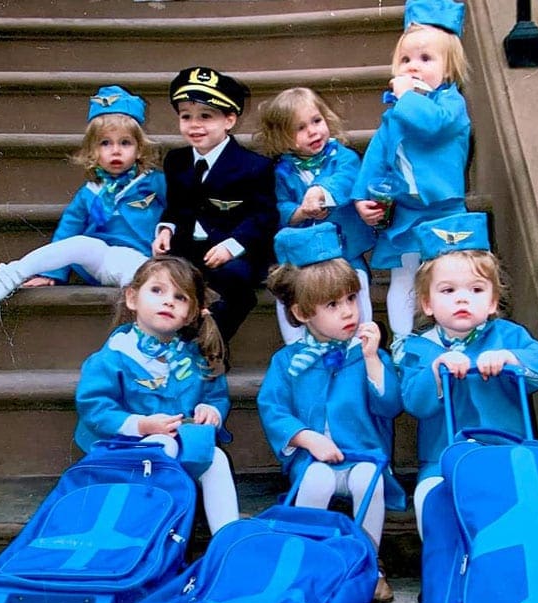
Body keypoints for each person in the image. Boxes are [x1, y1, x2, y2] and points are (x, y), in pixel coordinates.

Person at [256, 224, 405, 603]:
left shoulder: (367, 354)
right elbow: (272, 407)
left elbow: (390, 406)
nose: (349, 312)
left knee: (367, 479)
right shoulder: (289, 362)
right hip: (313, 459)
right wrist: (307, 438)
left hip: (364, 455)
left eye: (352, 299)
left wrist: (373, 360)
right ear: (302, 313)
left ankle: (368, 564)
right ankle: (303, 560)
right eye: (333, 305)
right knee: (319, 480)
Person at [398, 212, 538, 539]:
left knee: (519, 501)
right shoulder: (419, 349)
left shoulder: (507, 336)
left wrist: (511, 358)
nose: (462, 298)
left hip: (507, 449)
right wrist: (437, 373)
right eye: (448, 290)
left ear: (492, 302)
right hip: (443, 457)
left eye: (475, 289)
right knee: (428, 497)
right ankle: (443, 573)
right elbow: (414, 402)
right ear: (427, 303)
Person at [74, 256, 239, 535]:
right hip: (122, 450)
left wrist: (211, 411)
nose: (169, 301)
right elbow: (95, 408)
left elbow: (216, 395)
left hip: (183, 441)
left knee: (216, 459)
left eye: (180, 297)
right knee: (162, 445)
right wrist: (141, 425)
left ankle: (227, 539)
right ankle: (149, 533)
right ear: (132, 298)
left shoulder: (194, 358)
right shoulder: (114, 356)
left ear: (191, 312)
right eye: (157, 291)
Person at [351, 0, 471, 356]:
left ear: (449, 69)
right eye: (405, 60)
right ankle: (403, 341)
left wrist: (406, 97)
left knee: (449, 277)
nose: (413, 67)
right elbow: (376, 156)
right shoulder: (396, 114)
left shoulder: (450, 105)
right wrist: (362, 197)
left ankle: (453, 335)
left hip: (444, 210)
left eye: (425, 59)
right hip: (404, 211)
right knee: (404, 277)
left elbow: (431, 126)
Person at [0, 85, 164, 303]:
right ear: (93, 151)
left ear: (139, 149)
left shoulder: (155, 182)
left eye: (125, 143)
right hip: (100, 261)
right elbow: (67, 232)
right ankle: (8, 277)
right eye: (105, 143)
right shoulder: (90, 192)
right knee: (80, 243)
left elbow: (182, 210)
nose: (116, 150)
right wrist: (53, 274)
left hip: (143, 262)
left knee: (150, 276)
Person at [154, 66, 278, 348]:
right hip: (189, 247)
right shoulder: (177, 160)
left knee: (232, 280)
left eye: (206, 117)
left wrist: (231, 246)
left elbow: (263, 216)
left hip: (235, 250)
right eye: (186, 117)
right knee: (166, 276)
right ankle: (163, 341)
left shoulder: (253, 166)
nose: (194, 125)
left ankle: (205, 344)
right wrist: (166, 230)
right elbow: (176, 206)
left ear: (229, 119)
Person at [257, 87, 374, 344]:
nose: (312, 131)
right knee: (287, 291)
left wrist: (320, 191)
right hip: (302, 258)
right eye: (300, 128)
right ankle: (297, 346)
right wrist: (298, 212)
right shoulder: (280, 172)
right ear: (282, 137)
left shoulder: (343, 157)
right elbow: (276, 206)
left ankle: (361, 340)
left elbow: (347, 180)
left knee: (358, 283)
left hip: (343, 252)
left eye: (316, 121)